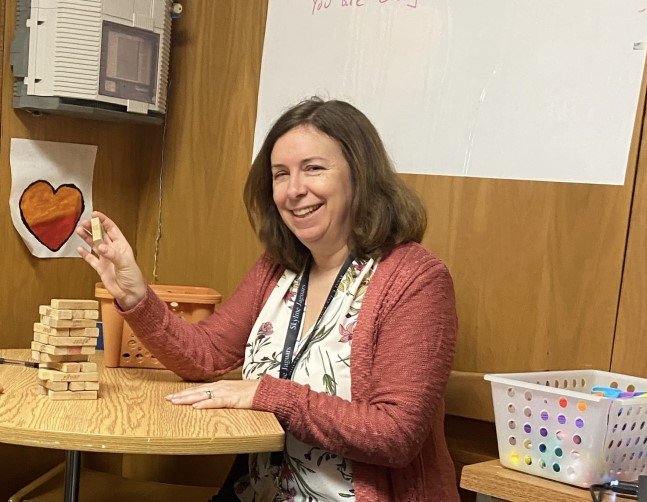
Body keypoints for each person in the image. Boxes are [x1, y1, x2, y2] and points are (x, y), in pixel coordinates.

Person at [77, 98, 458, 501]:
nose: (294, 190)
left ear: (359, 176)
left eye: (314, 168)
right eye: (281, 174)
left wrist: (264, 394)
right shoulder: (277, 267)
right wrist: (135, 294)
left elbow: (395, 434)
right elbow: (205, 355)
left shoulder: (417, 279)